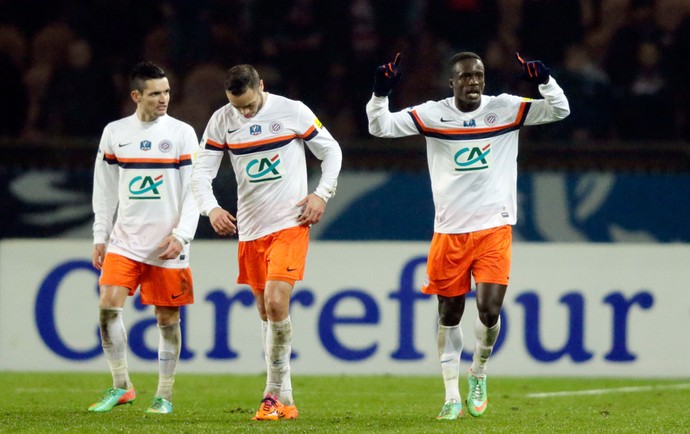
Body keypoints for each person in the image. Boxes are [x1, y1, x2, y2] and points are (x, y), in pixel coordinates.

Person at [366, 51, 569, 420]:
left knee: (489, 311)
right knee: (449, 313)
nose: (473, 82)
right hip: (450, 231)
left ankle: (479, 371)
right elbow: (380, 127)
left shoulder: (506, 108)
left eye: (478, 75)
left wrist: (545, 81)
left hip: (494, 226)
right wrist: (380, 94)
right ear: (452, 82)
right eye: (465, 77)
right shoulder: (432, 114)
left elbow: (559, 110)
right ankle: (450, 396)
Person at [191, 64, 342, 421]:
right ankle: (286, 398)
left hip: (290, 224)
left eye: (248, 104)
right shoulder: (221, 120)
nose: (243, 113)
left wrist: (321, 194)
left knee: (276, 302)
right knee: (266, 312)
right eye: (236, 106)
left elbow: (331, 151)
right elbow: (201, 171)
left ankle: (270, 396)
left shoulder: (293, 110)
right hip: (251, 230)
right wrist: (210, 209)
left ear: (261, 85)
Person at [90, 61, 200, 415]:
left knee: (167, 320)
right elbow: (104, 190)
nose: (163, 99)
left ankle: (163, 395)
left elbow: (194, 192)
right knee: (108, 307)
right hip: (125, 241)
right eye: (155, 94)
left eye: (166, 92)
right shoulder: (115, 133)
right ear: (136, 95)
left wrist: (182, 236)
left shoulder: (182, 133)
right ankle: (122, 386)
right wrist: (100, 235)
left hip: (167, 245)